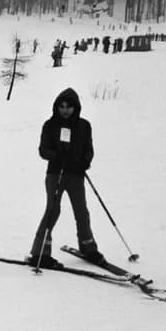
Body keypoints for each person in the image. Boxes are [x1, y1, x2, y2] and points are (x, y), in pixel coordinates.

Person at [28, 88, 101, 268]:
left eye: (69, 107)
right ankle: (40, 252)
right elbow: (43, 150)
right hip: (56, 173)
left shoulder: (84, 126)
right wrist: (57, 156)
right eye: (61, 106)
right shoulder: (50, 125)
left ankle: (88, 247)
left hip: (76, 174)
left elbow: (89, 149)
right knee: (53, 210)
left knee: (81, 211)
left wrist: (84, 162)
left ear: (76, 107)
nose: (65, 110)